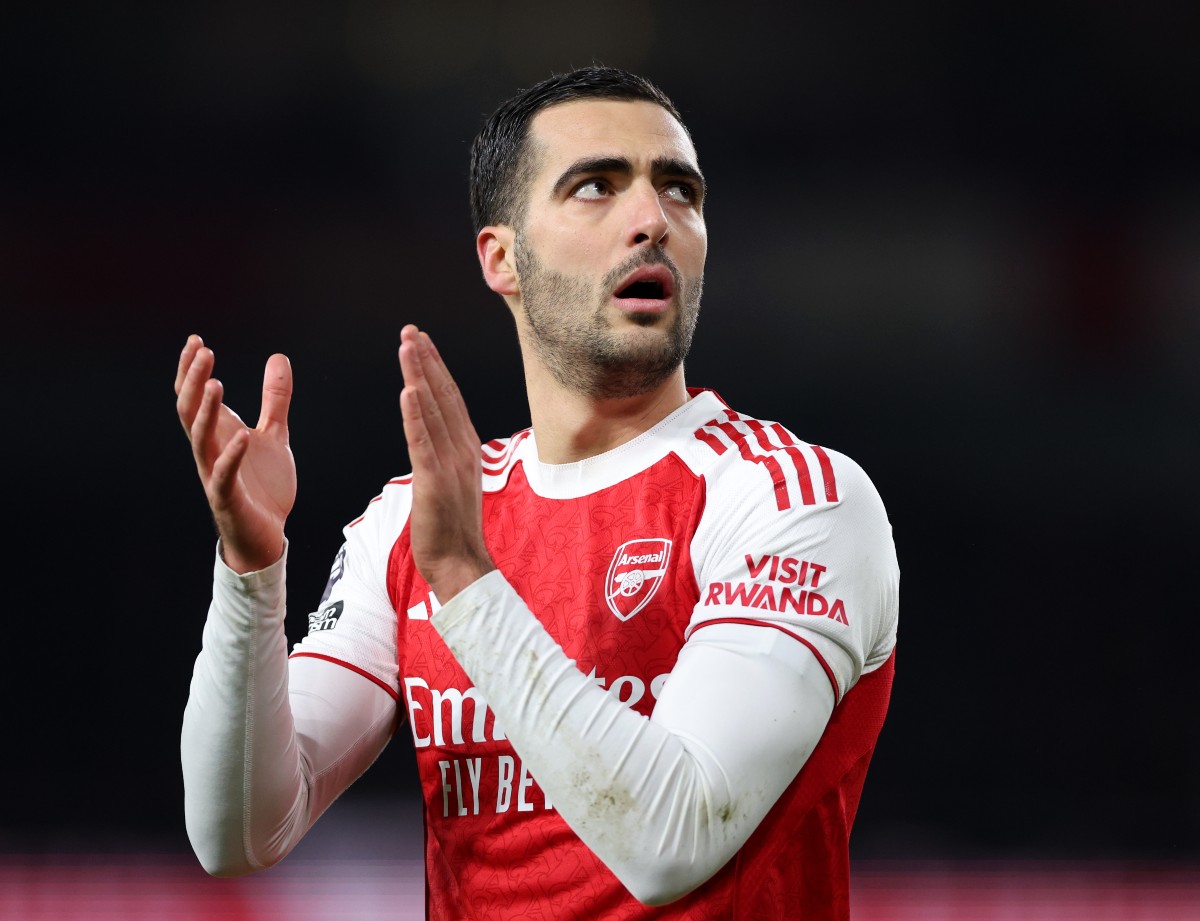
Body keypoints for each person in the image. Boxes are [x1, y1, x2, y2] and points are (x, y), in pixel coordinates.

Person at [176, 65, 900, 920]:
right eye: (597, 186)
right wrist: (251, 575)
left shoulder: (792, 499)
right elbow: (237, 832)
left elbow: (673, 839)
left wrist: (468, 584)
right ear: (502, 257)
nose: (653, 221)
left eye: (680, 192)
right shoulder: (412, 522)